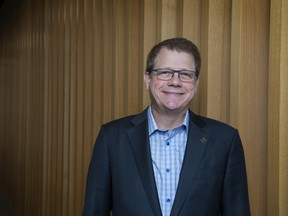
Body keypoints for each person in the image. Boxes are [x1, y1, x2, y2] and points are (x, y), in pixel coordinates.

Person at [82, 37, 250, 216]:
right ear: (147, 79)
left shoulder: (225, 140)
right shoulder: (112, 138)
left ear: (196, 83)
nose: (175, 82)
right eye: (165, 72)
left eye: (185, 74)